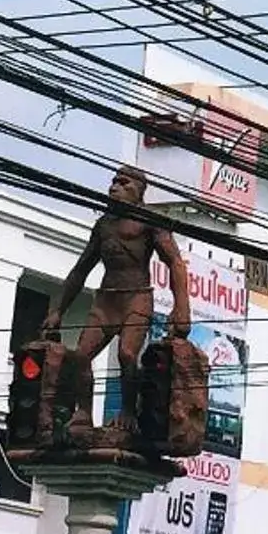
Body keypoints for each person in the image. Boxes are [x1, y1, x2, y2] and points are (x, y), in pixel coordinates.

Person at [45, 166, 193, 427]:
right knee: (80, 355)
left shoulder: (150, 220)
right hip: (106, 300)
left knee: (126, 354)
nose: (114, 187)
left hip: (136, 298)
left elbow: (175, 263)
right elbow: (80, 270)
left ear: (138, 191)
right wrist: (58, 310)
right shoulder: (103, 225)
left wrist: (182, 308)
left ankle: (128, 411)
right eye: (113, 182)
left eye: (123, 183)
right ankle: (84, 412)